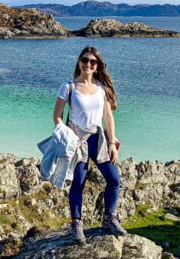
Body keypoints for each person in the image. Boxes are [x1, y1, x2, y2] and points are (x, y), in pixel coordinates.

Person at [52, 46, 127, 243]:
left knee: (114, 180)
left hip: (98, 138)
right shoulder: (68, 87)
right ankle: (76, 225)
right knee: (78, 183)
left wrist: (112, 143)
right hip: (77, 141)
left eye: (92, 62)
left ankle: (109, 218)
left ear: (97, 65)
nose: (88, 64)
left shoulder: (102, 88)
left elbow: (108, 117)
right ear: (79, 62)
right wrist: (70, 137)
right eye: (85, 60)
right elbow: (57, 117)